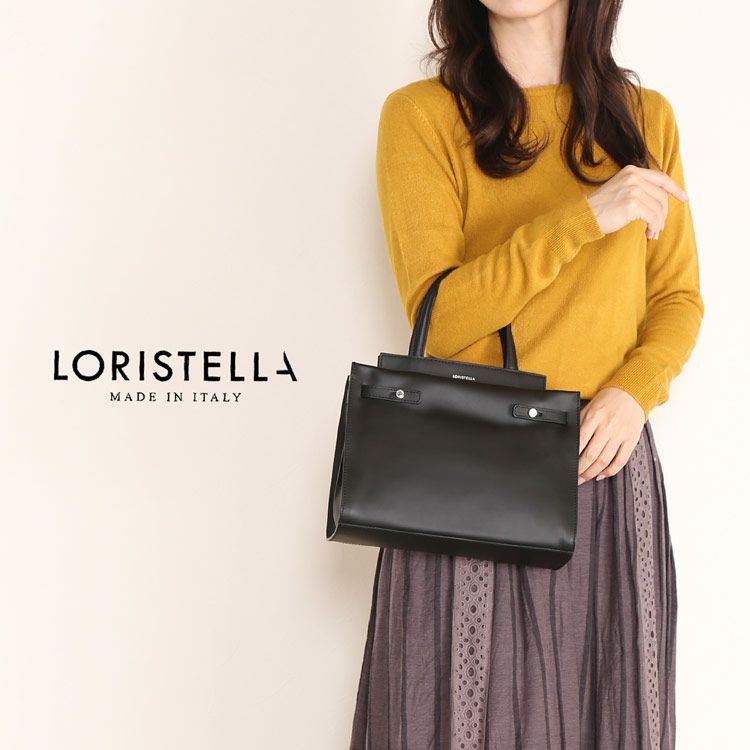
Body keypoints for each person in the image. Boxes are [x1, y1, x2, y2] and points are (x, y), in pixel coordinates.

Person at [348, 1, 703, 748]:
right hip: (469, 472)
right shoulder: (422, 116)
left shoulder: (645, 120)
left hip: (604, 464)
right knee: (456, 720)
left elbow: (677, 298)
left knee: (606, 714)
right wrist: (583, 219)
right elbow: (440, 317)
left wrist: (633, 393)